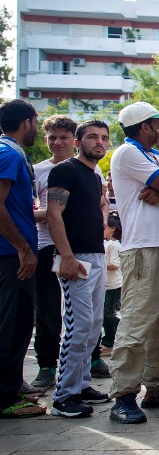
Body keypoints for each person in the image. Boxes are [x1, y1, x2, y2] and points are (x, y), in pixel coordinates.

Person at [108, 101, 159, 424]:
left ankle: (158, 385)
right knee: (137, 321)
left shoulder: (149, 157)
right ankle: (123, 394)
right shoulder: (128, 153)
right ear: (145, 127)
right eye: (157, 124)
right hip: (143, 249)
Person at [45, 120, 112, 417]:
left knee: (93, 325)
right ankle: (64, 396)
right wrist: (67, 256)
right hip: (76, 258)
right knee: (77, 326)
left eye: (104, 138)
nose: (99, 142)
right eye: (92, 137)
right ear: (78, 141)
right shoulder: (64, 170)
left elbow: (100, 205)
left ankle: (82, 384)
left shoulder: (94, 175)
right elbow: (53, 214)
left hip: (96, 255)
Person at [0, 99, 44, 418]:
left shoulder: (15, 153)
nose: (38, 128)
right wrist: (23, 248)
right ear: (26, 122)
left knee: (19, 323)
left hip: (17, 254)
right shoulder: (8, 152)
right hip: (10, 256)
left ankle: (13, 385)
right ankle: (5, 397)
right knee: (10, 325)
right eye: (37, 122)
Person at [29, 115, 78, 392]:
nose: (57, 142)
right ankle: (47, 366)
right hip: (46, 245)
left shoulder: (88, 169)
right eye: (52, 137)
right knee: (47, 310)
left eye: (63, 137)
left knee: (84, 310)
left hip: (80, 246)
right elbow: (26, 212)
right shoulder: (36, 171)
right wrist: (51, 214)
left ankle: (90, 360)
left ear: (74, 140)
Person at [102, 213, 122, 354]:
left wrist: (98, 262)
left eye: (105, 227)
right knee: (105, 316)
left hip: (114, 285)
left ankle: (124, 328)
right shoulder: (108, 244)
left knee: (108, 315)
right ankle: (108, 343)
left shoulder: (114, 245)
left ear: (112, 228)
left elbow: (115, 264)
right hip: (107, 285)